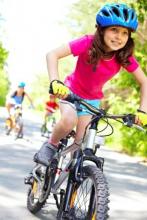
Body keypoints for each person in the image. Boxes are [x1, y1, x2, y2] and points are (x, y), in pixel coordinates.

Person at [35, 3, 147, 166]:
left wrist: (143, 111)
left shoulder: (124, 56)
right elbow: (52, 54)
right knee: (68, 120)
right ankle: (51, 145)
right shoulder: (87, 42)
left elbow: (144, 81)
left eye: (125, 33)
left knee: (78, 147)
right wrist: (55, 81)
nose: (119, 36)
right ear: (102, 29)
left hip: (91, 101)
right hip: (70, 92)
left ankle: (72, 184)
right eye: (114, 30)